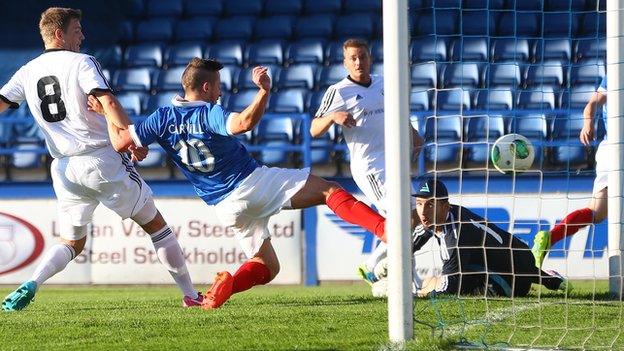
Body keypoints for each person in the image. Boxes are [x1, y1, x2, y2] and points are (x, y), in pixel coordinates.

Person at [87, 57, 388, 309]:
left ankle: (224, 289)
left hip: (224, 206)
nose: (220, 93)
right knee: (330, 190)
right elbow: (244, 123)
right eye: (217, 86)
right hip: (251, 182)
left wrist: (104, 114)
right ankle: (387, 232)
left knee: (267, 267)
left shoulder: (160, 117)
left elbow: (123, 141)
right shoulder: (208, 113)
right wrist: (264, 93)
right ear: (206, 87)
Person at [0, 7, 201, 311]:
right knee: (157, 227)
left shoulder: (28, 70)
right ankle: (191, 295)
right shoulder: (83, 62)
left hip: (64, 168)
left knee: (72, 243)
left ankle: (33, 282)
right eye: (77, 29)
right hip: (100, 158)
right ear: (59, 34)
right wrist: (131, 138)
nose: (82, 35)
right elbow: (107, 101)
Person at [309, 38, 424, 285]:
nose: (359, 62)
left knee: (411, 219)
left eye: (362, 56)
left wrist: (413, 134)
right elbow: (313, 130)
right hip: (370, 167)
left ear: (370, 58)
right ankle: (408, 280)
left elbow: (398, 112)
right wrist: (332, 117)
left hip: (395, 163)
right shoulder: (338, 91)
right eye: (353, 58)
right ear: (345, 63)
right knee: (407, 216)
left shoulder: (384, 83)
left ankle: (375, 265)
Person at [375, 178, 570, 298]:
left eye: (430, 204)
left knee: (434, 283)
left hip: (506, 282)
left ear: (445, 206)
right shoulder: (434, 220)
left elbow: (449, 287)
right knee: (431, 281)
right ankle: (550, 277)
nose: (423, 212)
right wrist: (392, 260)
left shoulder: (458, 233)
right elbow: (410, 244)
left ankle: (549, 277)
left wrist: (408, 296)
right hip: (512, 264)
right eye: (419, 204)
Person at [531, 77, 608, 268]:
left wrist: (588, 123)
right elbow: (592, 104)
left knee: (596, 213)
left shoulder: (615, 72)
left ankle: (550, 237)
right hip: (615, 148)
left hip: (611, 149)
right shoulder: (616, 74)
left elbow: (591, 105)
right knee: (596, 214)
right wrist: (588, 122)